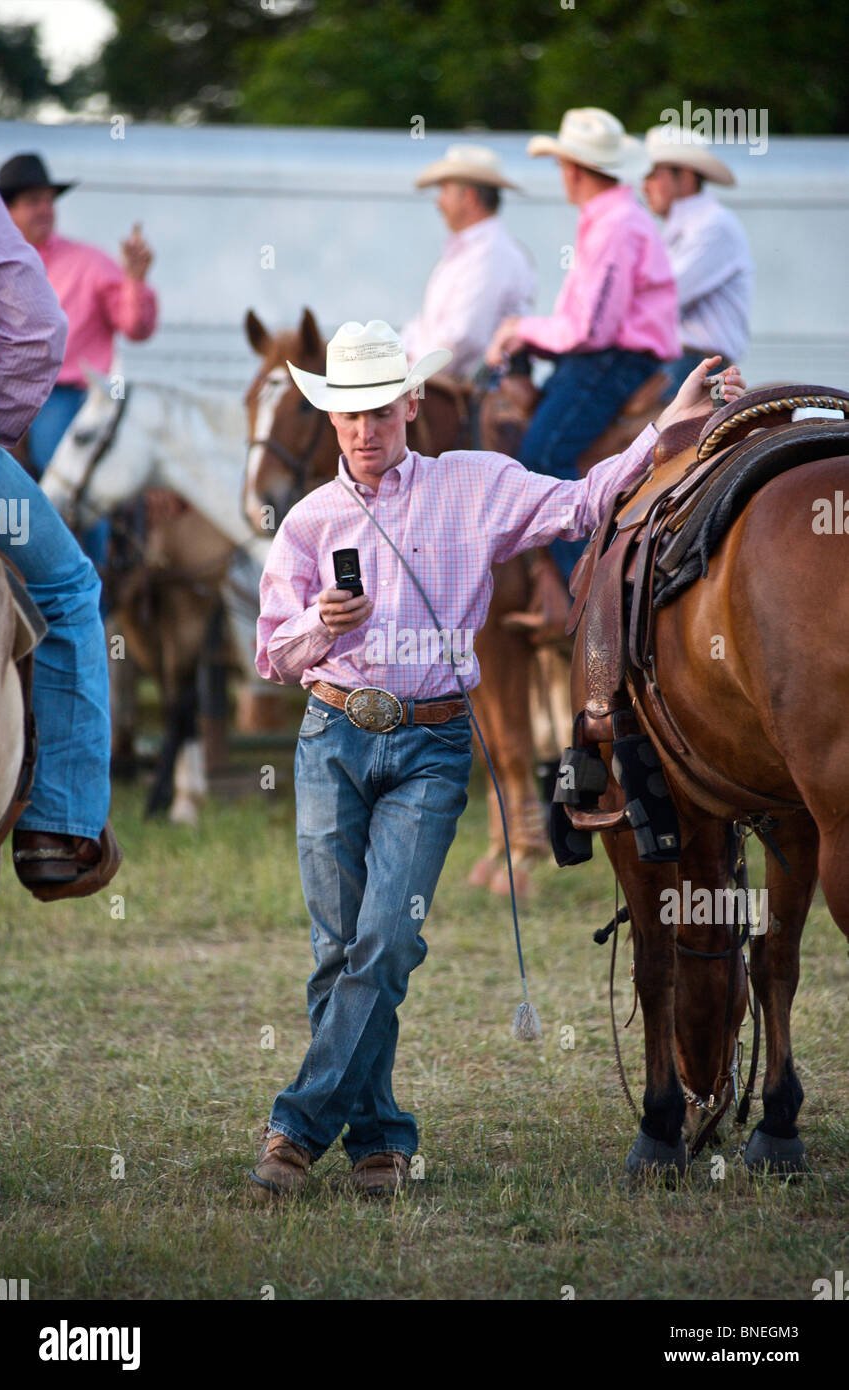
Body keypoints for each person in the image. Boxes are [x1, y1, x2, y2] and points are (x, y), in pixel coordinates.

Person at [250, 317, 744, 1200]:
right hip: (331, 736)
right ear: (330, 421)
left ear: (411, 404)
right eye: (349, 415)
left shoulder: (472, 485)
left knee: (388, 939)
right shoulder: (308, 522)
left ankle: (295, 1125)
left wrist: (665, 424)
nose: (367, 430)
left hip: (434, 743)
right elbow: (269, 655)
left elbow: (585, 503)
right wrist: (312, 628)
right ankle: (381, 1139)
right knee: (339, 950)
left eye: (380, 410)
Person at [0, 183, 120, 901]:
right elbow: (36, 327)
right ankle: (56, 827)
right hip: (39, 399)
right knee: (70, 589)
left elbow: (135, 319)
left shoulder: (97, 260)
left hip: (88, 391)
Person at [486, 108, 680, 586]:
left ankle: (587, 592)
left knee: (541, 457)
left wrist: (521, 330)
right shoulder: (612, 218)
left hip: (610, 362)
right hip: (603, 360)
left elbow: (592, 328)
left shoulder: (615, 224)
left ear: (572, 169)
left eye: (561, 167)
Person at [0, 152, 158, 572]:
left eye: (48, 199)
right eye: (33, 200)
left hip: (62, 396)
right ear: (6, 210)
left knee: (72, 479)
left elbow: (135, 327)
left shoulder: (89, 262)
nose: (45, 209)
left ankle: (87, 578)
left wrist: (135, 282)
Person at [400, 144, 536, 379]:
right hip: (457, 382)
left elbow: (464, 338)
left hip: (477, 387)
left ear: (470, 197)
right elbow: (432, 328)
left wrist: (408, 370)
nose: (438, 202)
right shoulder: (476, 251)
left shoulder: (491, 253)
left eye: (444, 190)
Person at [642, 124, 755, 397]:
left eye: (655, 173)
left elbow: (665, 294)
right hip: (684, 364)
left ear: (687, 176)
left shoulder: (713, 225)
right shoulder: (690, 227)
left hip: (699, 367)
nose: (645, 185)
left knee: (629, 431)